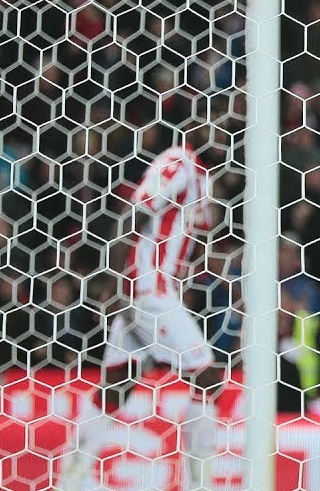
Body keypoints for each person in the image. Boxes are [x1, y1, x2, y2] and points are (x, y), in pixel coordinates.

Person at [58, 123, 226, 491]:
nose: (224, 132)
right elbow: (133, 214)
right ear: (194, 127)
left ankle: (70, 480)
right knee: (207, 379)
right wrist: (113, 281)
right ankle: (200, 485)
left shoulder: (204, 177)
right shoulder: (178, 162)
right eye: (215, 122)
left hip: (158, 290)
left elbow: (182, 238)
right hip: (147, 289)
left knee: (116, 386)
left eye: (230, 126)